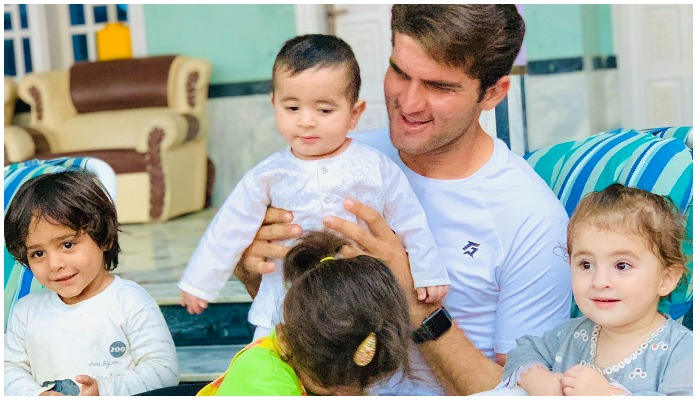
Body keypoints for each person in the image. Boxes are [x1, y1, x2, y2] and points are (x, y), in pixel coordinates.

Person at [235, 5, 572, 395]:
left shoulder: (532, 218)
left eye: (439, 87)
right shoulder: (335, 159)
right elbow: (286, 305)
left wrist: (418, 307)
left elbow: (519, 392)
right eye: (400, 72)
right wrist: (253, 262)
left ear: (493, 92)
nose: (409, 103)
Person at [178, 34, 450, 339]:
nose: (306, 121)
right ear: (274, 104)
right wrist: (199, 283)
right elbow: (229, 227)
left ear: (354, 113)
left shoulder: (375, 167)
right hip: (284, 302)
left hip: (360, 298)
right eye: (292, 108)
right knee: (270, 363)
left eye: (324, 110)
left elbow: (410, 222)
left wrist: (429, 272)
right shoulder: (268, 174)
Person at [497, 184, 692, 395]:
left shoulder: (683, 352)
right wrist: (537, 378)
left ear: (666, 278)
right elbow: (523, 350)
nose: (599, 281)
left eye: (621, 266)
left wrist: (607, 395)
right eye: (586, 265)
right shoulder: (571, 335)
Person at [4, 170, 179, 396]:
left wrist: (104, 390)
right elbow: (8, 370)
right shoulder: (26, 311)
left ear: (104, 237)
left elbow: (163, 370)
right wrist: (36, 394)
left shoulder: (129, 301)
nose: (54, 264)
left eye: (67, 245)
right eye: (38, 253)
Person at [196, 230, 411, 395]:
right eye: (328, 387)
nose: (349, 395)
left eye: (367, 383)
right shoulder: (265, 386)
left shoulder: (315, 355)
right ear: (284, 339)